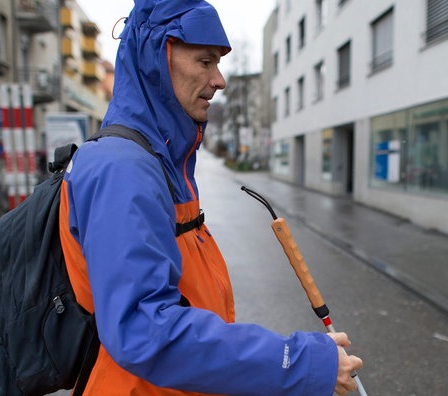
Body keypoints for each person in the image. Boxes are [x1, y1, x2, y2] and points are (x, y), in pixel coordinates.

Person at [58, 0, 363, 394]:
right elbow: (145, 330)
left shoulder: (161, 159)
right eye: (205, 61)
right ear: (157, 58)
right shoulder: (123, 168)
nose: (219, 80)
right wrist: (303, 361)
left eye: (218, 63)